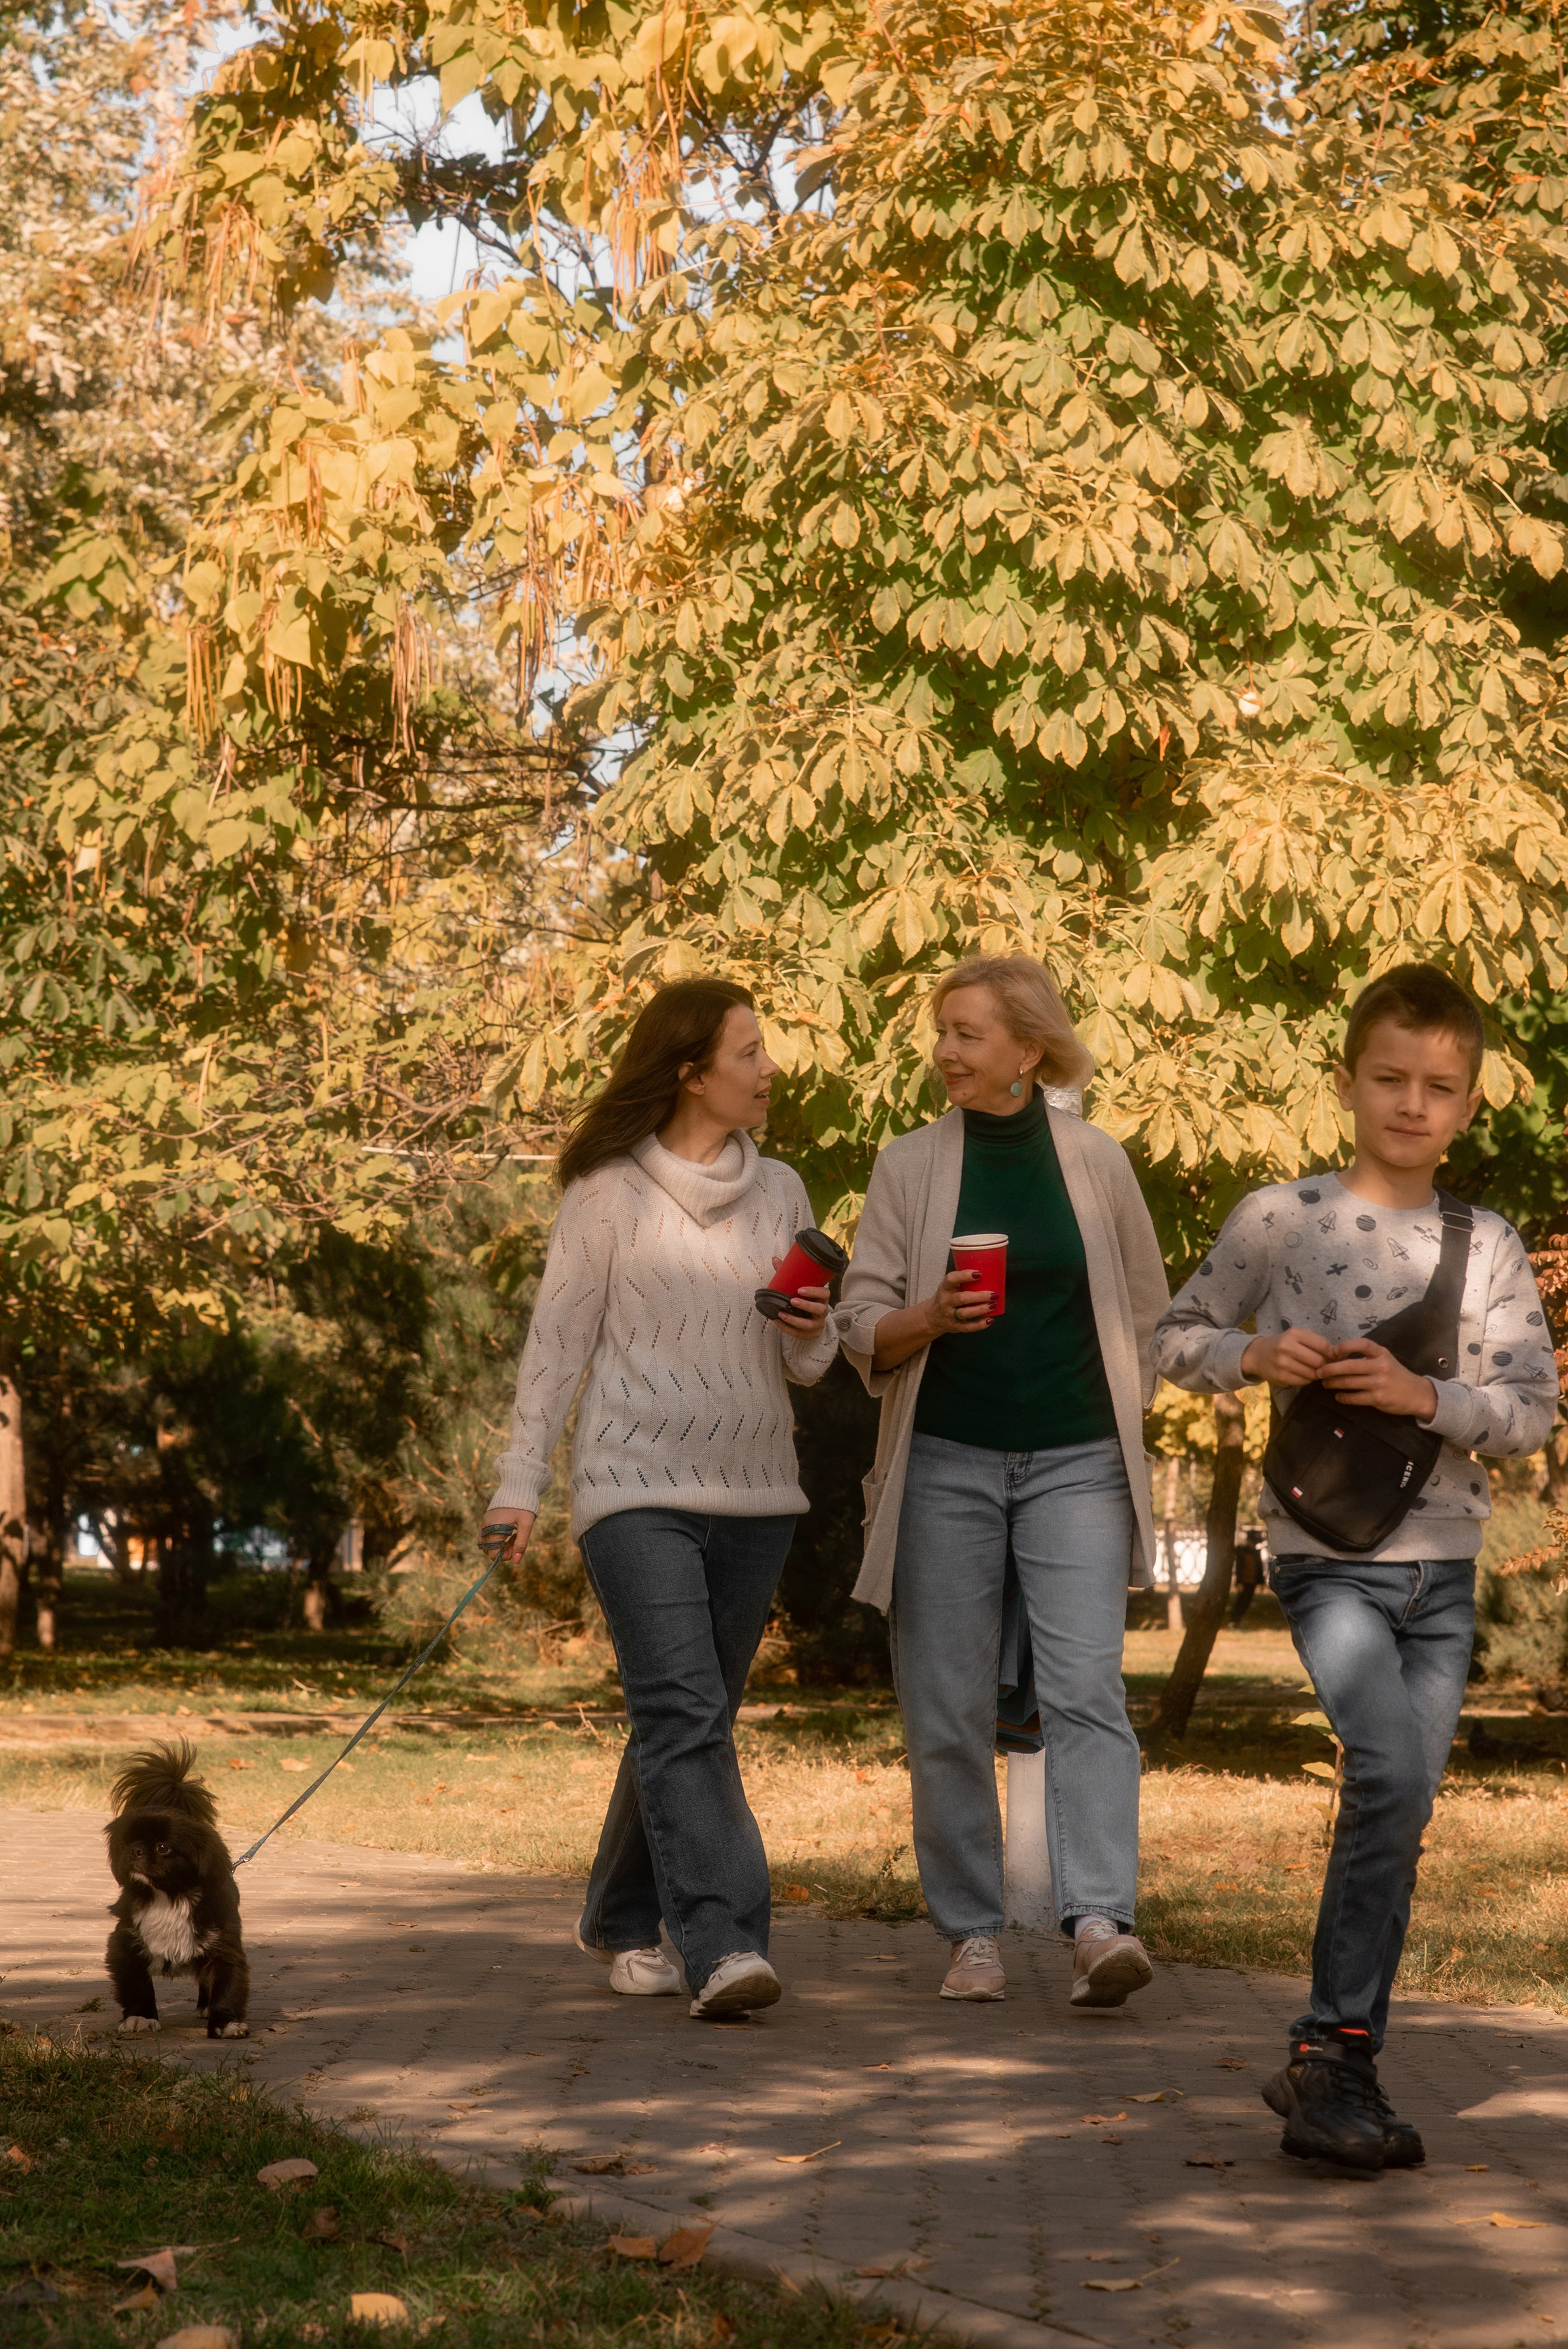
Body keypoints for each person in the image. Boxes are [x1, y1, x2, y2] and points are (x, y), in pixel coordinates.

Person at [1153, 963, 1558, 2170]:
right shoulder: (1278, 1220)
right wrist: (1250, 1353)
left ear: (1470, 1104)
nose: (1410, 1103)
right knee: (1386, 1771)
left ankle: (1333, 2061)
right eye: (1388, 1078)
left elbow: (1529, 1411)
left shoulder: (1483, 1243)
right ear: (1344, 1080)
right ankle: (1335, 2058)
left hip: (1443, 1564)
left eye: (1438, 1087)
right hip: (1324, 1559)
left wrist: (1423, 1394)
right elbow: (1171, 1336)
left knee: (1398, 1805)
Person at [481, 979, 837, 2021]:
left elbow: (811, 1367)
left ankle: (618, 1915)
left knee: (688, 1716)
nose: (770, 1068)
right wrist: (518, 1487)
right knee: (686, 1715)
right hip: (633, 1486)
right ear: (692, 1071)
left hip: (759, 1489)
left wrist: (811, 1325)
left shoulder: (783, 1191)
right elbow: (557, 1351)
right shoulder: (607, 1194)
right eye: (750, 1052)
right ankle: (723, 1944)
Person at [835, 954, 1169, 2008]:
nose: (945, 1051)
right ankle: (971, 1931)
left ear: (1028, 1049)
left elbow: (1149, 1317)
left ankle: (1099, 1921)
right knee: (945, 1704)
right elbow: (857, 1321)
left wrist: (1123, 1412)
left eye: (968, 1034)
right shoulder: (908, 1167)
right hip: (942, 1462)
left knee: (1085, 1692)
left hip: (1077, 1461)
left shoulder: (1097, 1162)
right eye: (942, 1031)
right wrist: (929, 1317)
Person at [1231, 1528, 1266, 1625]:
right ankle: (1234, 1621)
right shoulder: (1241, 1552)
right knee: (1240, 1602)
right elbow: (1239, 1568)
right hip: (1244, 1581)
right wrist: (1239, 1582)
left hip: (1252, 1582)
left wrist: (1262, 1582)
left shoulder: (1256, 1553)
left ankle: (1238, 1621)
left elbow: (1259, 1568)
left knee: (1247, 1602)